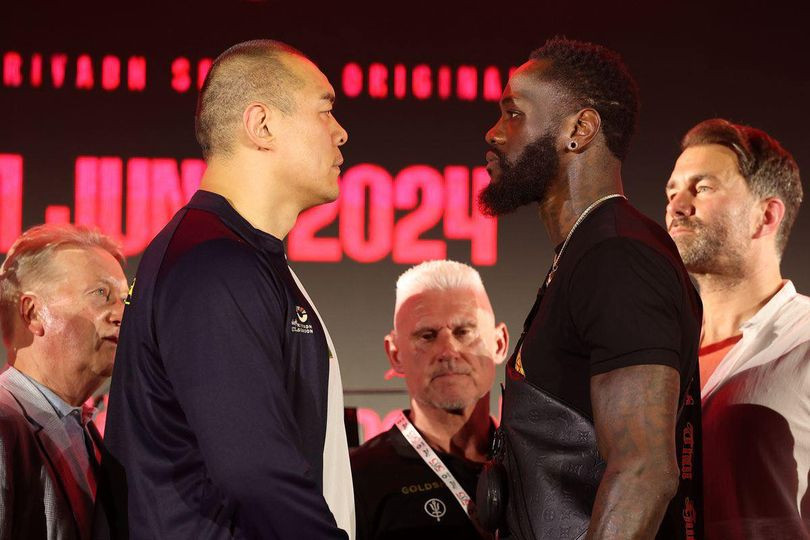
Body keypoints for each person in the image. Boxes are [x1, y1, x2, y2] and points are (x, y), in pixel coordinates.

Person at [100, 40, 353, 539]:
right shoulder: (213, 264)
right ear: (262, 125)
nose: (341, 132)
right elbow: (255, 473)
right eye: (325, 110)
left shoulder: (242, 256)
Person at [476, 37, 703, 539]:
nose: (493, 132)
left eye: (513, 113)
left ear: (579, 130)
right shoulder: (589, 251)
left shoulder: (617, 258)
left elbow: (643, 473)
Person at [665, 118, 809, 538]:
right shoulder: (658, 354)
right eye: (672, 192)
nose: (677, 206)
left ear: (766, 216)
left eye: (703, 188)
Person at [351, 260, 509, 540]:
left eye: (464, 331)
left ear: (499, 343)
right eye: (427, 336)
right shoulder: (357, 478)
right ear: (395, 354)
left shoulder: (535, 465)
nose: (448, 350)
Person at [0, 224, 127, 540]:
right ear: (32, 313)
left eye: (125, 300)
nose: (121, 314)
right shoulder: (3, 426)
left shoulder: (84, 428)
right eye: (101, 294)